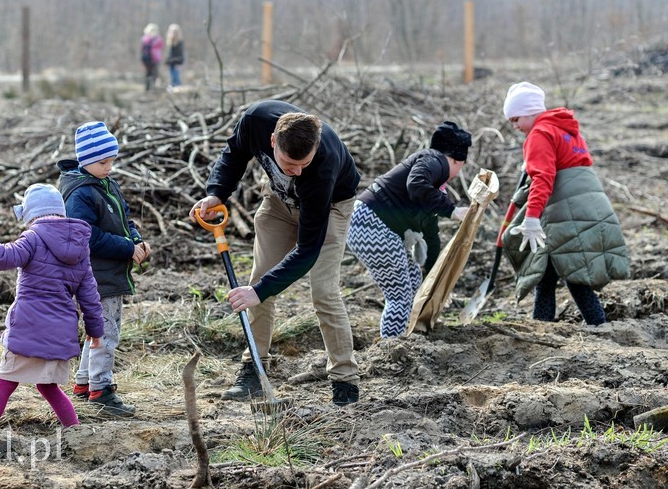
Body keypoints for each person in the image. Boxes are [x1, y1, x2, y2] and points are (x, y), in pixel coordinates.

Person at [189, 100, 361, 406]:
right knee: (258, 280)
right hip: (280, 204)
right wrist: (216, 192)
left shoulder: (323, 164)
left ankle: (345, 380)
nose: (296, 171)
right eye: (288, 163)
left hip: (330, 207)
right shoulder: (256, 121)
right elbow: (234, 153)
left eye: (302, 165)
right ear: (272, 141)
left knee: (323, 290)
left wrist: (262, 290)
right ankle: (254, 368)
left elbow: (308, 250)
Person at [0, 184, 104, 428]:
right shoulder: (80, 247)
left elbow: (1, 257)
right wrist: (96, 331)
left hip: (28, 327)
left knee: (5, 382)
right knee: (48, 386)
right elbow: (89, 293)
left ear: (31, 215)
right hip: (60, 332)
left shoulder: (33, 238)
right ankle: (74, 429)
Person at [501, 82, 629, 325]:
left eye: (516, 119)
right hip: (589, 204)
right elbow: (569, 163)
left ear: (529, 111)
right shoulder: (565, 128)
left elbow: (544, 178)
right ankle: (551, 325)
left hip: (565, 210)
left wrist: (531, 217)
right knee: (554, 271)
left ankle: (593, 326)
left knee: (568, 272)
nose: (515, 125)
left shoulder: (539, 134)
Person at [57, 121, 152, 416]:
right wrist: (127, 248)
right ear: (86, 161)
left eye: (112, 160)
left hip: (110, 272)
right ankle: (102, 389)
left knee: (97, 331)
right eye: (103, 162)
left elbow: (124, 218)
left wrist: (135, 239)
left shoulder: (106, 184)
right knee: (106, 332)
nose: (109, 166)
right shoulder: (81, 194)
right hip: (96, 275)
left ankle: (85, 383)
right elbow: (89, 237)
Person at [346, 122, 472, 338]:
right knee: (400, 294)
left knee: (414, 278)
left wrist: (435, 282)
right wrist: (452, 210)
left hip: (369, 225)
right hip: (371, 225)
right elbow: (416, 185)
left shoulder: (434, 189)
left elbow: (432, 237)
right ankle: (392, 347)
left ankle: (408, 334)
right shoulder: (434, 160)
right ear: (456, 160)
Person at [140, 23, 164, 91]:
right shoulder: (145, 40)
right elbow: (142, 49)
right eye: (151, 31)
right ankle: (147, 88)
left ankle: (153, 88)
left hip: (156, 59)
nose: (152, 33)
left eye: (154, 31)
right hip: (147, 59)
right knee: (148, 74)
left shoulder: (158, 40)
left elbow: (161, 47)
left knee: (155, 74)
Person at [165, 24, 184, 90]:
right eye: (172, 31)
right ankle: (173, 88)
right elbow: (169, 54)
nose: (173, 33)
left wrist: (178, 63)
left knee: (176, 76)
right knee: (171, 77)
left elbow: (180, 54)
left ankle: (178, 89)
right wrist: (167, 61)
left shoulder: (179, 42)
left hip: (176, 62)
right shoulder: (169, 42)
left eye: (174, 32)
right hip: (171, 62)